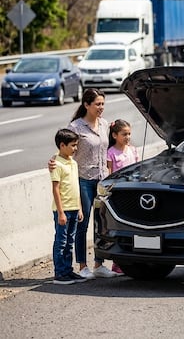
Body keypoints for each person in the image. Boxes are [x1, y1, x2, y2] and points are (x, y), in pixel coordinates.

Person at [49, 88, 118, 279]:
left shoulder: (105, 124)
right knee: (83, 222)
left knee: (101, 223)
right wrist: (53, 161)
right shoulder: (76, 127)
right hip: (84, 180)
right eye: (97, 104)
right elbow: (64, 148)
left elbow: (110, 148)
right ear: (86, 105)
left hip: (102, 180)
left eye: (103, 104)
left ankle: (99, 264)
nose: (101, 107)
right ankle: (82, 265)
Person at [50, 129, 88, 285]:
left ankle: (68, 270)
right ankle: (59, 273)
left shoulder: (73, 163)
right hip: (63, 210)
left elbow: (76, 187)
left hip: (73, 208)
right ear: (62, 145)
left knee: (70, 241)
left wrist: (79, 208)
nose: (75, 149)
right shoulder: (57, 164)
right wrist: (60, 213)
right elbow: (56, 189)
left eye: (76, 145)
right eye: (73, 146)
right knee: (61, 241)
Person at [106, 118, 140, 275]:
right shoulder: (111, 153)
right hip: (118, 195)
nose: (127, 137)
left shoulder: (133, 150)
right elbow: (109, 174)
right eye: (124, 134)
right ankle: (117, 263)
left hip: (133, 194)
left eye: (129, 134)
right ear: (114, 135)